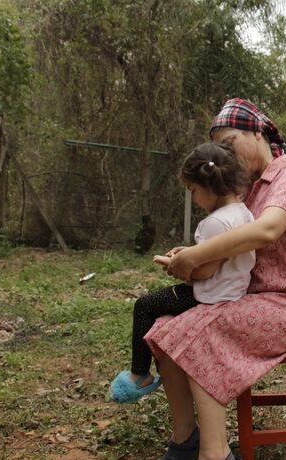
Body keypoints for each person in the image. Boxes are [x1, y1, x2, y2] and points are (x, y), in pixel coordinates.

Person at [144, 98, 286, 460]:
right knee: (162, 329)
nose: (228, 156)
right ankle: (186, 439)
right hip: (262, 297)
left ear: (258, 132)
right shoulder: (250, 188)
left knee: (202, 330)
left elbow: (266, 232)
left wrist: (196, 258)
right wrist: (195, 252)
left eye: (230, 143)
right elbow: (233, 242)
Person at [108, 142, 255, 403]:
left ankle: (138, 375)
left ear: (209, 187)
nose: (194, 199)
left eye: (193, 190)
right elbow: (220, 257)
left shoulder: (215, 222)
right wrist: (189, 252)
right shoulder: (242, 213)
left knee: (145, 305)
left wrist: (176, 265)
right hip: (233, 292)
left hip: (209, 296)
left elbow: (204, 271)